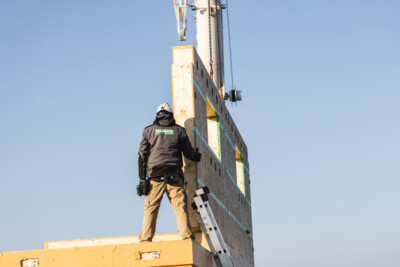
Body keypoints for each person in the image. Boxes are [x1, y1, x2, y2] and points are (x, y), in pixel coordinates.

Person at [137, 103, 201, 242]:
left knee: (151, 208)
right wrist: (198, 156)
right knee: (180, 207)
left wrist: (142, 179)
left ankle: (145, 239)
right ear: (170, 115)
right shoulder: (180, 131)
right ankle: (186, 237)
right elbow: (189, 154)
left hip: (155, 176)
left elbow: (142, 156)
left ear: (157, 115)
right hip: (174, 175)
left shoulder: (148, 131)